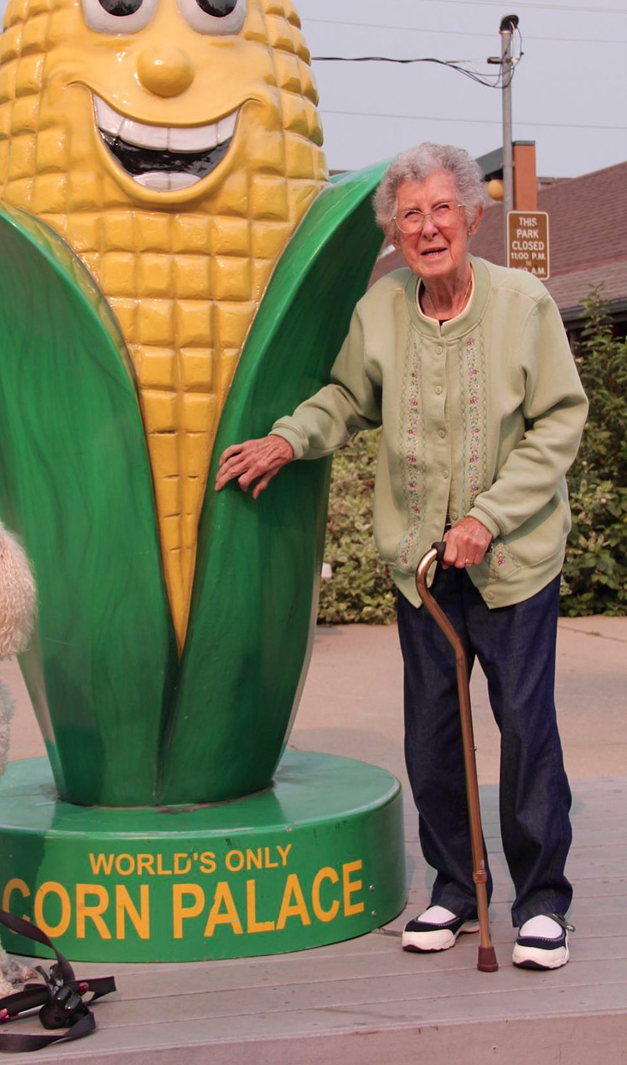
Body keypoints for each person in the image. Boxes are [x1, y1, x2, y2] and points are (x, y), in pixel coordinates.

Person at [215, 142, 588, 970]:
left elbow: (559, 422)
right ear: (396, 230)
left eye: (442, 209)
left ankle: (542, 898)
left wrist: (488, 518)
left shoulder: (523, 303)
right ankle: (456, 888)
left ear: (473, 215)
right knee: (433, 732)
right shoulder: (381, 311)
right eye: (410, 214)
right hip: (422, 561)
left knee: (527, 727)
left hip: (514, 561)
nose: (427, 227)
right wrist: (287, 438)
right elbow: (348, 397)